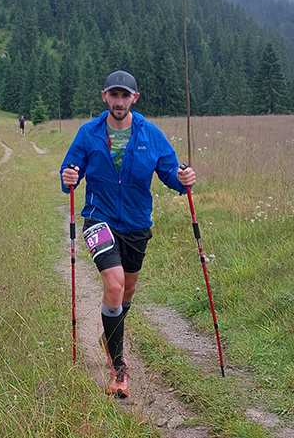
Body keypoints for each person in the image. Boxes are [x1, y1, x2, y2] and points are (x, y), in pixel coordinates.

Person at [60, 70, 196, 398]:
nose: (119, 101)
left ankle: (110, 336)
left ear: (135, 98)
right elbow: (70, 171)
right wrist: (68, 178)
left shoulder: (151, 134)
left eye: (125, 95)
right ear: (104, 97)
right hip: (99, 218)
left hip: (136, 224)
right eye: (114, 95)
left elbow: (169, 172)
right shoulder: (88, 133)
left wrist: (183, 179)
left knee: (127, 290)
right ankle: (119, 366)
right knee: (114, 283)